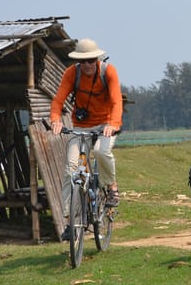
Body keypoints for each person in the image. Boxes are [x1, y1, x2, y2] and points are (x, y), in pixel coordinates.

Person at [50, 39, 123, 238]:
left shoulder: (108, 72)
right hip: (80, 127)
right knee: (71, 168)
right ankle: (70, 221)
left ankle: (111, 187)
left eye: (91, 60)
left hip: (105, 126)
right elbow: (57, 101)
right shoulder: (71, 74)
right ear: (78, 62)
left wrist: (113, 124)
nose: (88, 65)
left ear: (97, 59)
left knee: (101, 151)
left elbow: (117, 101)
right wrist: (56, 120)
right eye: (84, 61)